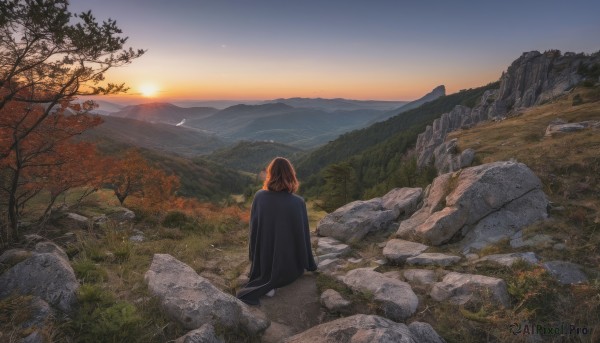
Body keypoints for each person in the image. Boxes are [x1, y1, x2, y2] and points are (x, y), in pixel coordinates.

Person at [237, 157, 317, 305]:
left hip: (263, 263)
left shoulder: (259, 196)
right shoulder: (297, 202)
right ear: (291, 175)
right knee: (288, 270)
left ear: (270, 174)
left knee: (265, 276)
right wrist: (310, 264)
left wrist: (254, 260)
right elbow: (303, 238)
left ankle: (267, 283)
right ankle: (273, 282)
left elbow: (254, 232)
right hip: (289, 268)